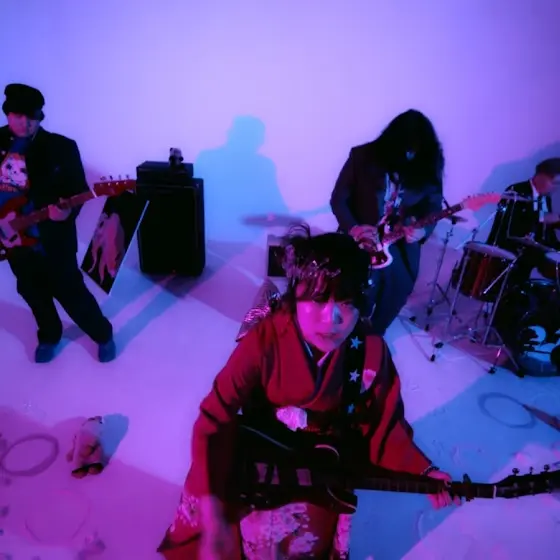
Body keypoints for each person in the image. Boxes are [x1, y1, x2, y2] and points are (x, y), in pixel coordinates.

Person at [158, 225, 456, 559]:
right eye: (318, 299)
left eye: (347, 302)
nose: (333, 318)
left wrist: (424, 472)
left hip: (322, 472)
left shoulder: (368, 351)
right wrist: (213, 516)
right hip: (258, 463)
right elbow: (215, 416)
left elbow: (383, 426)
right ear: (296, 294)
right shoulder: (265, 340)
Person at [0, 83, 115, 363]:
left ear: (40, 116)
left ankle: (102, 334)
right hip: (13, 240)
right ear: (7, 114)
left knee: (71, 292)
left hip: (53, 240)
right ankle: (50, 335)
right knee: (32, 292)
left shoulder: (61, 147)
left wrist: (66, 214)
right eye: (18, 115)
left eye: (32, 116)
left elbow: (78, 190)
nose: (25, 123)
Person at [330, 109, 445, 336]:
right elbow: (338, 200)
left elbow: (433, 207)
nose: (410, 156)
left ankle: (373, 337)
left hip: (400, 246)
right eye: (406, 150)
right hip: (360, 241)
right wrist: (354, 228)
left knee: (396, 292)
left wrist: (422, 232)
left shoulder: (429, 165)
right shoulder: (362, 156)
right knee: (353, 293)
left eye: (415, 152)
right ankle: (344, 335)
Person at [485, 157, 560, 281]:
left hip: (536, 249)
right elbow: (510, 225)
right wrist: (541, 217)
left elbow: (547, 231)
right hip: (513, 249)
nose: (555, 188)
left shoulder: (546, 198)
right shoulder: (516, 190)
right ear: (541, 176)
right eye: (554, 183)